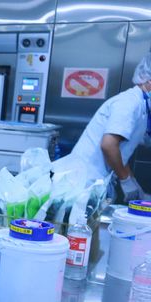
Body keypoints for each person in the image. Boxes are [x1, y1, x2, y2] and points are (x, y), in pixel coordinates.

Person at [63, 53, 151, 201]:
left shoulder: (141, 108)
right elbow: (109, 145)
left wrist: (133, 183)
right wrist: (125, 180)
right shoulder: (129, 103)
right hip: (83, 182)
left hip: (95, 182)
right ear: (148, 81)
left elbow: (120, 152)